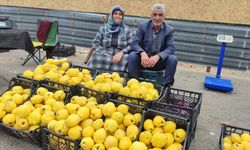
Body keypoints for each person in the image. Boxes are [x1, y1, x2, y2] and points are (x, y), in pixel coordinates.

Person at [128, 3, 177, 86]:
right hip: (143, 61)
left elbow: (171, 48)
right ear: (151, 15)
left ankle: (166, 86)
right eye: (155, 14)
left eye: (160, 15)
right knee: (132, 56)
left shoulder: (169, 30)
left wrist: (158, 56)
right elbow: (135, 43)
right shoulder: (143, 26)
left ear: (164, 16)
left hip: (158, 62)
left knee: (173, 59)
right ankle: (134, 83)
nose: (157, 18)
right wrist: (142, 53)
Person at [87, 6, 133, 72]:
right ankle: (96, 74)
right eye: (115, 13)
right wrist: (103, 52)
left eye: (120, 14)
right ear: (111, 15)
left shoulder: (127, 29)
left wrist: (122, 53)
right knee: (96, 56)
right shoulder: (103, 28)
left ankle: (120, 76)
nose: (118, 16)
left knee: (127, 59)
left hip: (120, 56)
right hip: (104, 54)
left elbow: (131, 45)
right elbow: (95, 42)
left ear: (122, 17)